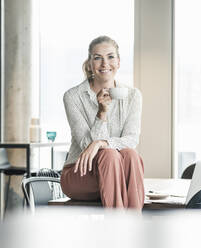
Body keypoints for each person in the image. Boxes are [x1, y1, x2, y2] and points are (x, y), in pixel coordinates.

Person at [60, 36, 145, 209]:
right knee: (110, 154)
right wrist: (102, 113)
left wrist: (101, 142)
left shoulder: (133, 95)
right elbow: (85, 145)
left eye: (110, 57)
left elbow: (132, 139)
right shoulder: (73, 97)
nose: (105, 63)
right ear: (90, 64)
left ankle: (133, 227)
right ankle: (117, 229)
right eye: (98, 58)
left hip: (116, 172)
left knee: (130, 154)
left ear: (119, 62)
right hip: (80, 173)